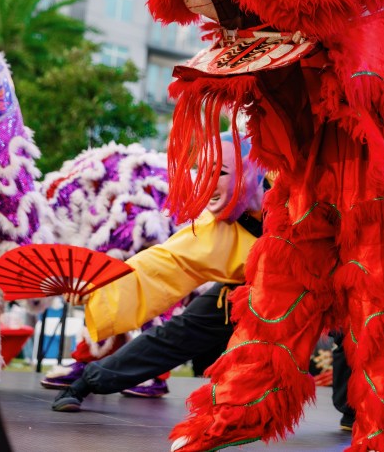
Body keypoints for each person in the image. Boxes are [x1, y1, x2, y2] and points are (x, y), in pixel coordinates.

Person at [52, 135, 262, 412]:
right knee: (180, 333)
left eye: (219, 172)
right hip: (245, 289)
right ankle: (86, 383)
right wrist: (96, 286)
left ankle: (343, 413)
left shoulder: (298, 194)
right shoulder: (216, 226)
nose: (207, 183)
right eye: (203, 172)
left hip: (320, 285)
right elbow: (162, 262)